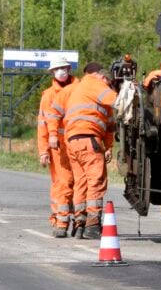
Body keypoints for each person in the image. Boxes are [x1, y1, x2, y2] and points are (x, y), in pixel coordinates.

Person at [47, 62, 118, 240]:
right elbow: (117, 101)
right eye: (107, 83)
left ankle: (80, 224)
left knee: (81, 182)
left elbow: (109, 126)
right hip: (88, 139)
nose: (106, 86)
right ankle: (92, 225)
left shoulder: (74, 90)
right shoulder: (96, 84)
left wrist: (108, 147)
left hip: (72, 142)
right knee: (96, 180)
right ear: (102, 77)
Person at [37, 58, 76, 237]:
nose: (61, 72)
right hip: (58, 147)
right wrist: (43, 150)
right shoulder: (49, 95)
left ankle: (77, 219)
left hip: (76, 144)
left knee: (78, 184)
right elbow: (42, 124)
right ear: (52, 72)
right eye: (57, 69)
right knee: (61, 184)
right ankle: (59, 219)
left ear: (69, 69)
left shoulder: (78, 89)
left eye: (64, 68)